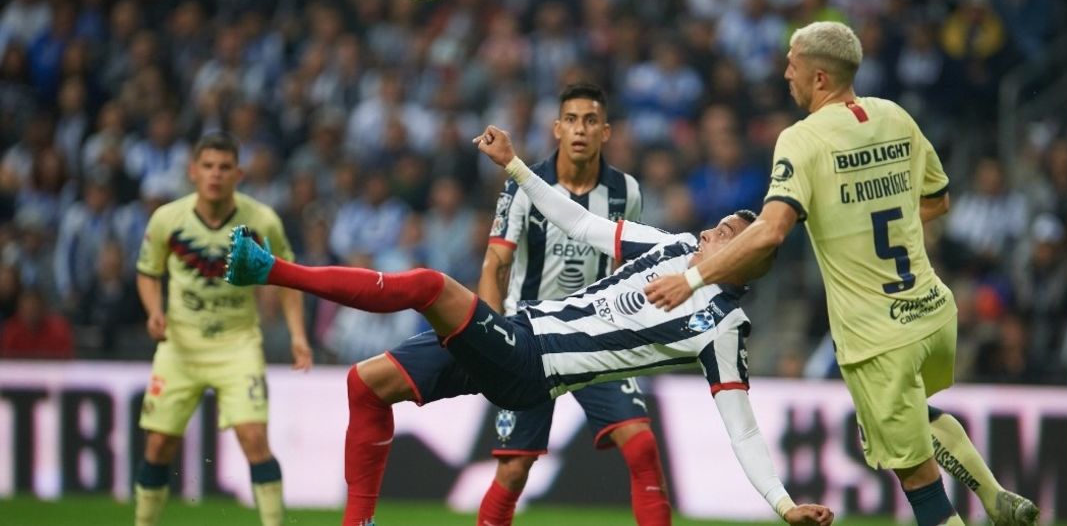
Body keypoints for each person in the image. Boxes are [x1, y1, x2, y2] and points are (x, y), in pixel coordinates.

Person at [223, 126, 834, 526]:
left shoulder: (722, 327)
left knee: (431, 287)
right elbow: (584, 223)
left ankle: (269, 269)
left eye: (724, 234)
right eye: (715, 225)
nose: (708, 233)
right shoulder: (671, 246)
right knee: (365, 384)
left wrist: (783, 506)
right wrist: (515, 164)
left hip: (533, 365)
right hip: (521, 331)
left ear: (745, 258)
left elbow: (745, 431)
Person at [644, 22, 1038, 526]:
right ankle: (995, 496)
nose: (785, 72)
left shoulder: (801, 140)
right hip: (933, 313)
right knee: (911, 419)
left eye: (793, 63)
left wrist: (691, 280)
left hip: (877, 335)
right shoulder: (895, 116)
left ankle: (985, 504)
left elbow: (769, 231)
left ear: (821, 77)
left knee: (918, 482)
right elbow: (937, 200)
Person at [477, 83, 669, 525]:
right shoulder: (524, 184)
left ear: (605, 131)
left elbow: (631, 266)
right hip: (528, 338)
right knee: (514, 468)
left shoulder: (626, 192)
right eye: (571, 120)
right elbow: (495, 263)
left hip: (594, 334)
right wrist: (489, 340)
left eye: (589, 121)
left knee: (641, 445)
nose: (579, 129)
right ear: (556, 129)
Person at [133, 132, 312, 526]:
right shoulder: (167, 219)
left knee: (253, 438)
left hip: (238, 344)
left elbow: (289, 279)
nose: (215, 175)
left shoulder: (261, 221)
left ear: (239, 173)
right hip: (180, 346)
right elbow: (148, 272)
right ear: (193, 172)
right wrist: (153, 311)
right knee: (159, 443)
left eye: (224, 167)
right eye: (208, 167)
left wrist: (298, 336)